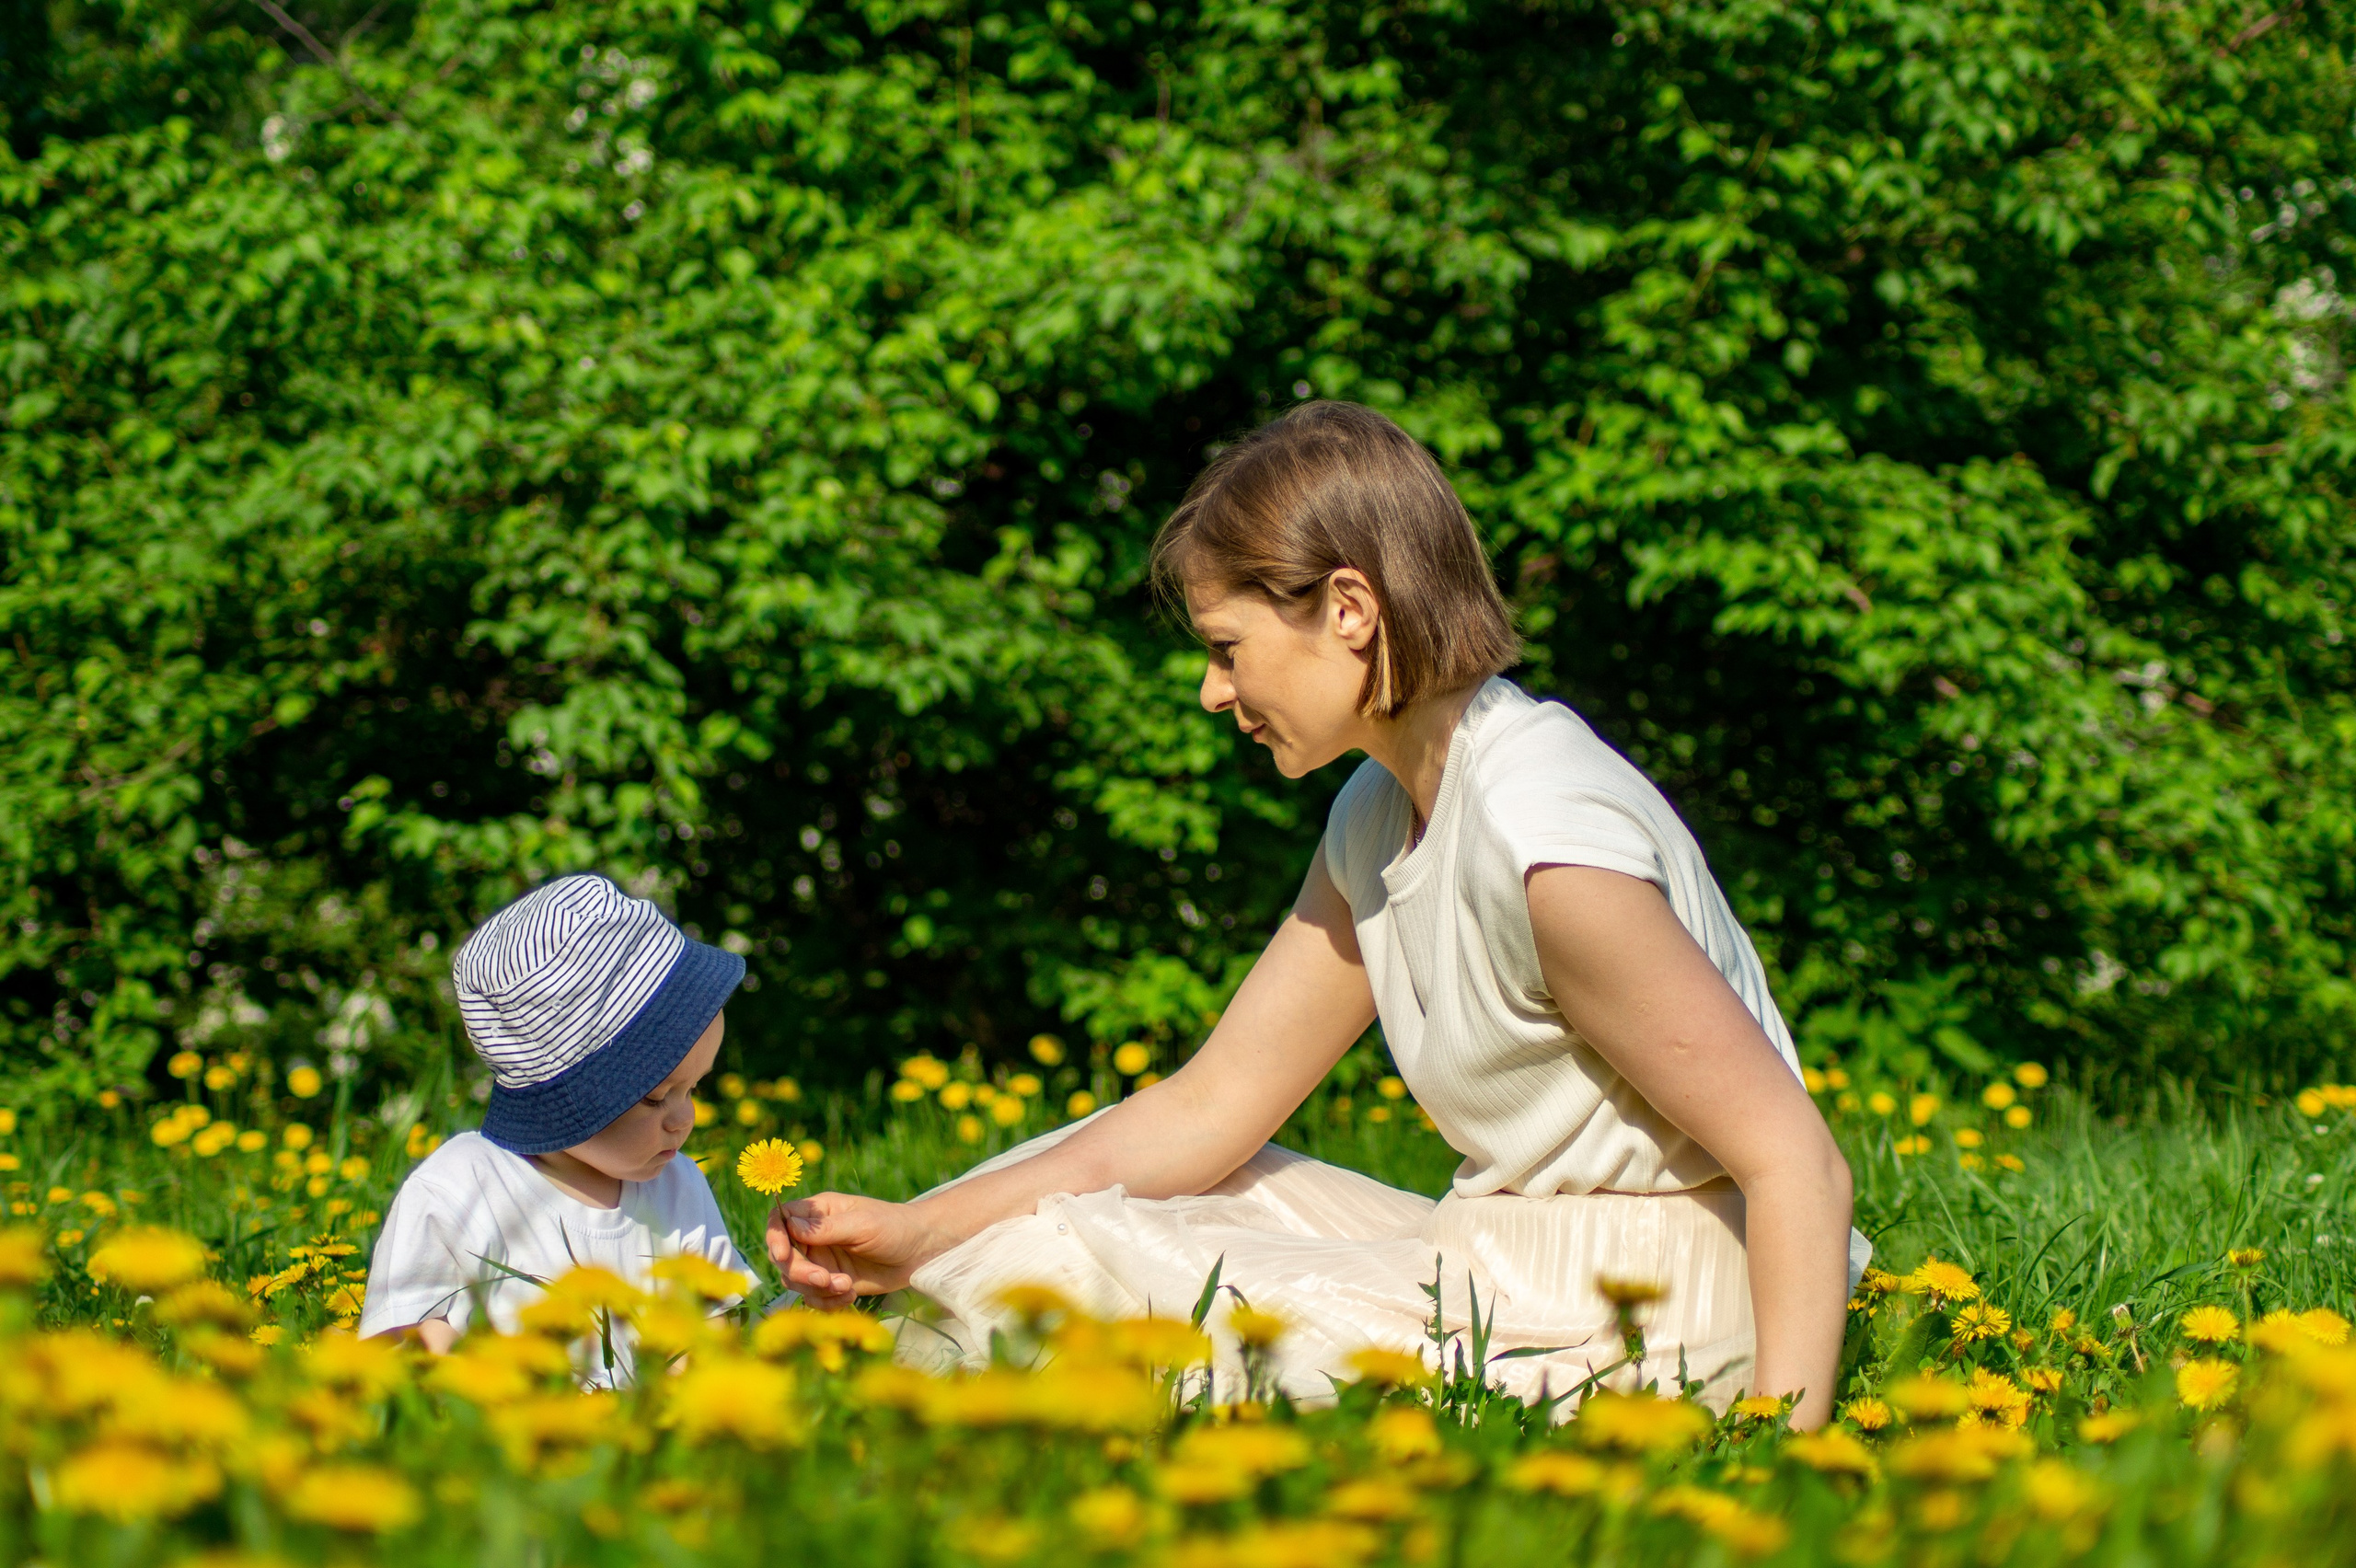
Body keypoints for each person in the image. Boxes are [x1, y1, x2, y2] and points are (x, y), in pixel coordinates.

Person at [771, 401, 1865, 1426]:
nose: (1212, 691)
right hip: (1492, 1252)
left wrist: (1783, 1445)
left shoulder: (1545, 839)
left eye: (1225, 648)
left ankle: (786, 1417)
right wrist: (917, 1232)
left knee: (1067, 1272)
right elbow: (1211, 1108)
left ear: (1347, 609)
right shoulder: (1378, 808)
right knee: (1094, 1187)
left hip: (1649, 1313)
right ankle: (769, 1365)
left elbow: (1796, 1164)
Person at [359, 873, 755, 1384]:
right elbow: (404, 1339)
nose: (684, 1120)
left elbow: (710, 1335)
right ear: (569, 1097)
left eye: (693, 1088)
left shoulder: (680, 1190)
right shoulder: (459, 1190)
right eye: (655, 1097)